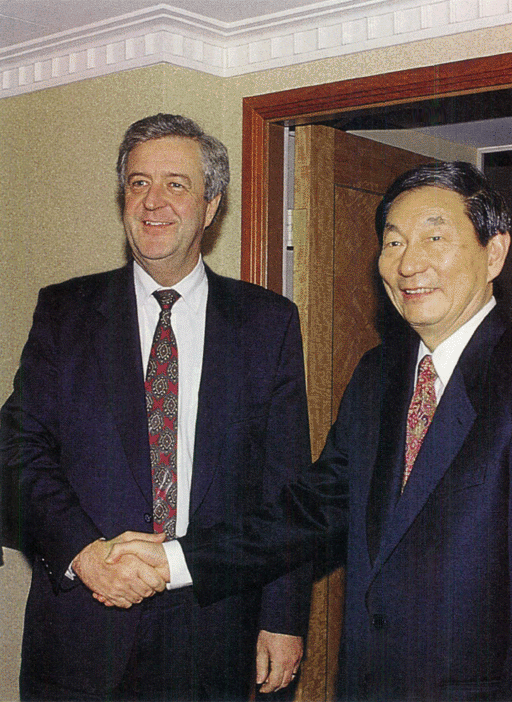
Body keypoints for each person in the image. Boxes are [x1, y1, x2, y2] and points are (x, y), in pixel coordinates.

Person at [109, 161, 512, 701]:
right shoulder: (377, 377)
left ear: (495, 253)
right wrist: (175, 560)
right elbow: (311, 510)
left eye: (435, 237)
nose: (410, 263)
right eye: (393, 243)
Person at [0, 113, 312, 702]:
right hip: (82, 629)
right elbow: (15, 451)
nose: (153, 202)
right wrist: (84, 555)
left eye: (176, 184)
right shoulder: (65, 313)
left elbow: (286, 486)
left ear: (212, 205)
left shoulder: (267, 324)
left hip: (215, 628)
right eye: (138, 183)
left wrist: (283, 617)